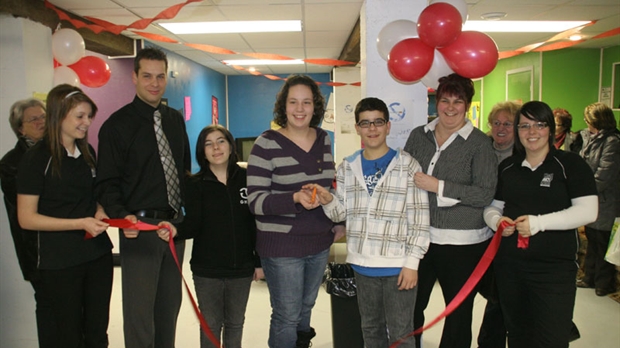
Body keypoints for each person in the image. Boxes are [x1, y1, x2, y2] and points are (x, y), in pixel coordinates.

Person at [305, 97, 430, 347]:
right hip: (362, 265)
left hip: (398, 267)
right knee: (370, 330)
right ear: (357, 128)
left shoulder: (407, 165)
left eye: (378, 122)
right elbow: (340, 213)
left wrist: (412, 263)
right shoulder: (348, 167)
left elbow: (419, 217)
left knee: (401, 334)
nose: (372, 129)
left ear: (388, 126)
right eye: (365, 123)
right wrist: (328, 199)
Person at [95, 47, 190, 348]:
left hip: (173, 229)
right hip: (140, 229)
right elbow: (106, 182)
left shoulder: (175, 120)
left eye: (160, 76)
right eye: (147, 76)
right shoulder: (116, 126)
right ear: (134, 77)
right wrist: (123, 217)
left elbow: (183, 169)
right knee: (140, 315)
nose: (154, 83)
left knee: (168, 310)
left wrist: (185, 219)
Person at [484, 101, 598, 348]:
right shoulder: (509, 167)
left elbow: (588, 211)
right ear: (517, 130)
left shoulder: (570, 165)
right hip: (510, 268)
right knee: (517, 336)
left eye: (539, 125)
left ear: (551, 129)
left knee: (551, 338)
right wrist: (497, 221)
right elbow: (493, 207)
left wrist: (538, 223)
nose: (532, 132)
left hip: (554, 271)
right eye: (525, 126)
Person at [246, 74, 342, 348]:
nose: (300, 109)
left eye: (307, 102)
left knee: (306, 307)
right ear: (283, 106)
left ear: (315, 107)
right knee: (287, 315)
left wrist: (330, 205)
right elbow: (256, 201)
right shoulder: (266, 144)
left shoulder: (323, 139)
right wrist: (295, 198)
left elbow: (328, 184)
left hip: (319, 241)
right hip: (282, 246)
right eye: (293, 102)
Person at [404, 73, 497, 348]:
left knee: (457, 313)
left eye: (458, 101)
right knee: (410, 307)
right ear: (437, 102)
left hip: (462, 244)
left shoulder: (479, 144)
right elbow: (405, 177)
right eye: (445, 100)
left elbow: (484, 194)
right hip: (420, 238)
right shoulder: (418, 136)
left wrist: (438, 186)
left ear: (467, 104)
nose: (451, 107)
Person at [16, 84, 113, 347]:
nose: (87, 123)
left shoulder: (87, 153)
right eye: (80, 116)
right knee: (68, 334)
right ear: (59, 115)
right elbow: (26, 218)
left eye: (89, 116)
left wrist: (99, 211)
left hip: (97, 255)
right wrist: (79, 223)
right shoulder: (37, 159)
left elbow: (92, 199)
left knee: (97, 332)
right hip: (60, 262)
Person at [161, 124, 263, 348]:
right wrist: (175, 229)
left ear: (230, 145)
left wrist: (258, 262)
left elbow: (256, 224)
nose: (216, 147)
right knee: (210, 325)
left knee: (236, 323)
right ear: (202, 151)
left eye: (221, 141)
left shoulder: (248, 178)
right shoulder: (194, 184)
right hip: (207, 271)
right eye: (209, 144)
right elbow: (193, 225)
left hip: (242, 269)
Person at [575, 102, 620, 297]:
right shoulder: (591, 138)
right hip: (592, 199)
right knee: (593, 240)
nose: (586, 124)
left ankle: (604, 283)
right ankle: (589, 278)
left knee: (602, 242)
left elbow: (605, 175)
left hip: (606, 200)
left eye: (588, 120)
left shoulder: (613, 142)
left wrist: (584, 189)